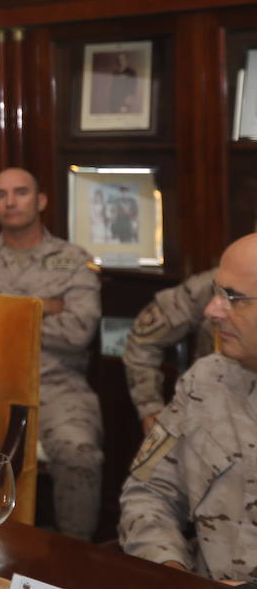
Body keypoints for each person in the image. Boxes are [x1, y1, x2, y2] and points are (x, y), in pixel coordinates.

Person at [0, 167, 103, 541]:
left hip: (55, 382)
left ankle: (74, 555)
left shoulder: (73, 258)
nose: (10, 201)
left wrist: (1, 309)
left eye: (20, 192)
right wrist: (43, 307)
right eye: (1, 194)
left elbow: (78, 332)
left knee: (80, 453)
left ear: (41, 201)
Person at [119, 234, 257, 582]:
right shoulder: (206, 382)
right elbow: (148, 492)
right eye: (216, 292)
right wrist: (170, 569)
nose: (212, 310)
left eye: (234, 299)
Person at [123, 269, 216, 433]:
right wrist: (150, 407)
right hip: (206, 421)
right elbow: (143, 339)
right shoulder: (217, 283)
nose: (216, 310)